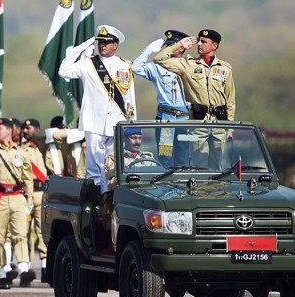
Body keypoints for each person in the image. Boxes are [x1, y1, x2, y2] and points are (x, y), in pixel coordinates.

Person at [59, 25, 136, 201]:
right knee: (93, 165)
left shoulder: (125, 65)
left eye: (107, 42)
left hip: (117, 121)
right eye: (100, 42)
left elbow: (130, 97)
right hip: (94, 122)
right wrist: (78, 48)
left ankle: (109, 197)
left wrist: (132, 123)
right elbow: (63, 71)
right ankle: (94, 200)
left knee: (112, 164)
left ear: (115, 45)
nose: (102, 45)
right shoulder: (88, 63)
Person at [155, 29, 235, 169]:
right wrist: (179, 44)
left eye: (203, 42)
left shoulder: (225, 68)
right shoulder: (188, 65)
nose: (199, 44)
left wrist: (230, 127)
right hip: (199, 122)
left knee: (218, 167)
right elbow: (160, 59)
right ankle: (202, 190)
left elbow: (230, 99)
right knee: (200, 165)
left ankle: (215, 190)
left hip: (219, 122)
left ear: (214, 46)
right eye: (198, 40)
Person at [0, 118, 36, 289]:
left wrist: (30, 200)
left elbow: (28, 178)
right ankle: (2, 271)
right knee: (0, 237)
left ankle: (24, 267)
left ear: (9, 131)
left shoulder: (22, 152)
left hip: (17, 196)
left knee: (21, 234)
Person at [132, 30, 190, 167]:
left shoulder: (189, 65)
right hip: (166, 119)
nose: (168, 49)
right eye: (167, 46)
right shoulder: (157, 67)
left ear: (181, 47)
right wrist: (149, 50)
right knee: (166, 158)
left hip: (185, 119)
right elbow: (136, 67)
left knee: (184, 157)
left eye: (172, 46)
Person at [21, 118, 48, 280]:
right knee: (25, 232)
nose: (25, 131)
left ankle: (45, 267)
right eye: (24, 128)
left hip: (43, 192)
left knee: (42, 231)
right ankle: (26, 268)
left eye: (29, 128)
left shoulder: (45, 146)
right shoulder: (21, 149)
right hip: (27, 195)